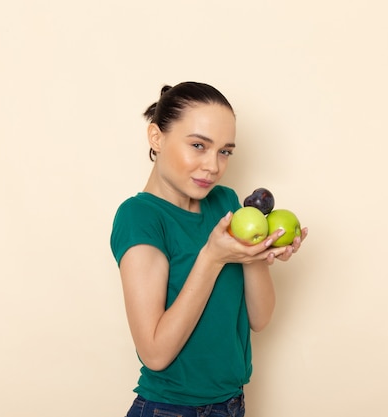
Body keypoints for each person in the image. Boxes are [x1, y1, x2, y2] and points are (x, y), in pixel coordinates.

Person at [110, 81, 307, 416]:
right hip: (169, 408)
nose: (213, 166)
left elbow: (260, 318)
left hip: (231, 404)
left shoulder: (226, 203)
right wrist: (212, 258)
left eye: (224, 151)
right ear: (156, 137)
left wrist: (256, 254)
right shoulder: (139, 217)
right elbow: (155, 353)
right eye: (199, 145)